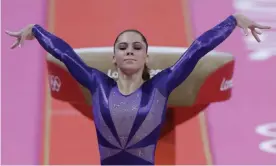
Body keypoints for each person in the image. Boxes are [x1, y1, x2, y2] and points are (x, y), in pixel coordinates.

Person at [6, 13, 270, 165]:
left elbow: (197, 49)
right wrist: (35, 30)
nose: (129, 51)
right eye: (122, 47)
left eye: (136, 47)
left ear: (146, 57)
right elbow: (65, 54)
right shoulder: (97, 83)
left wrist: (233, 20)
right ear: (113, 58)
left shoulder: (161, 86)